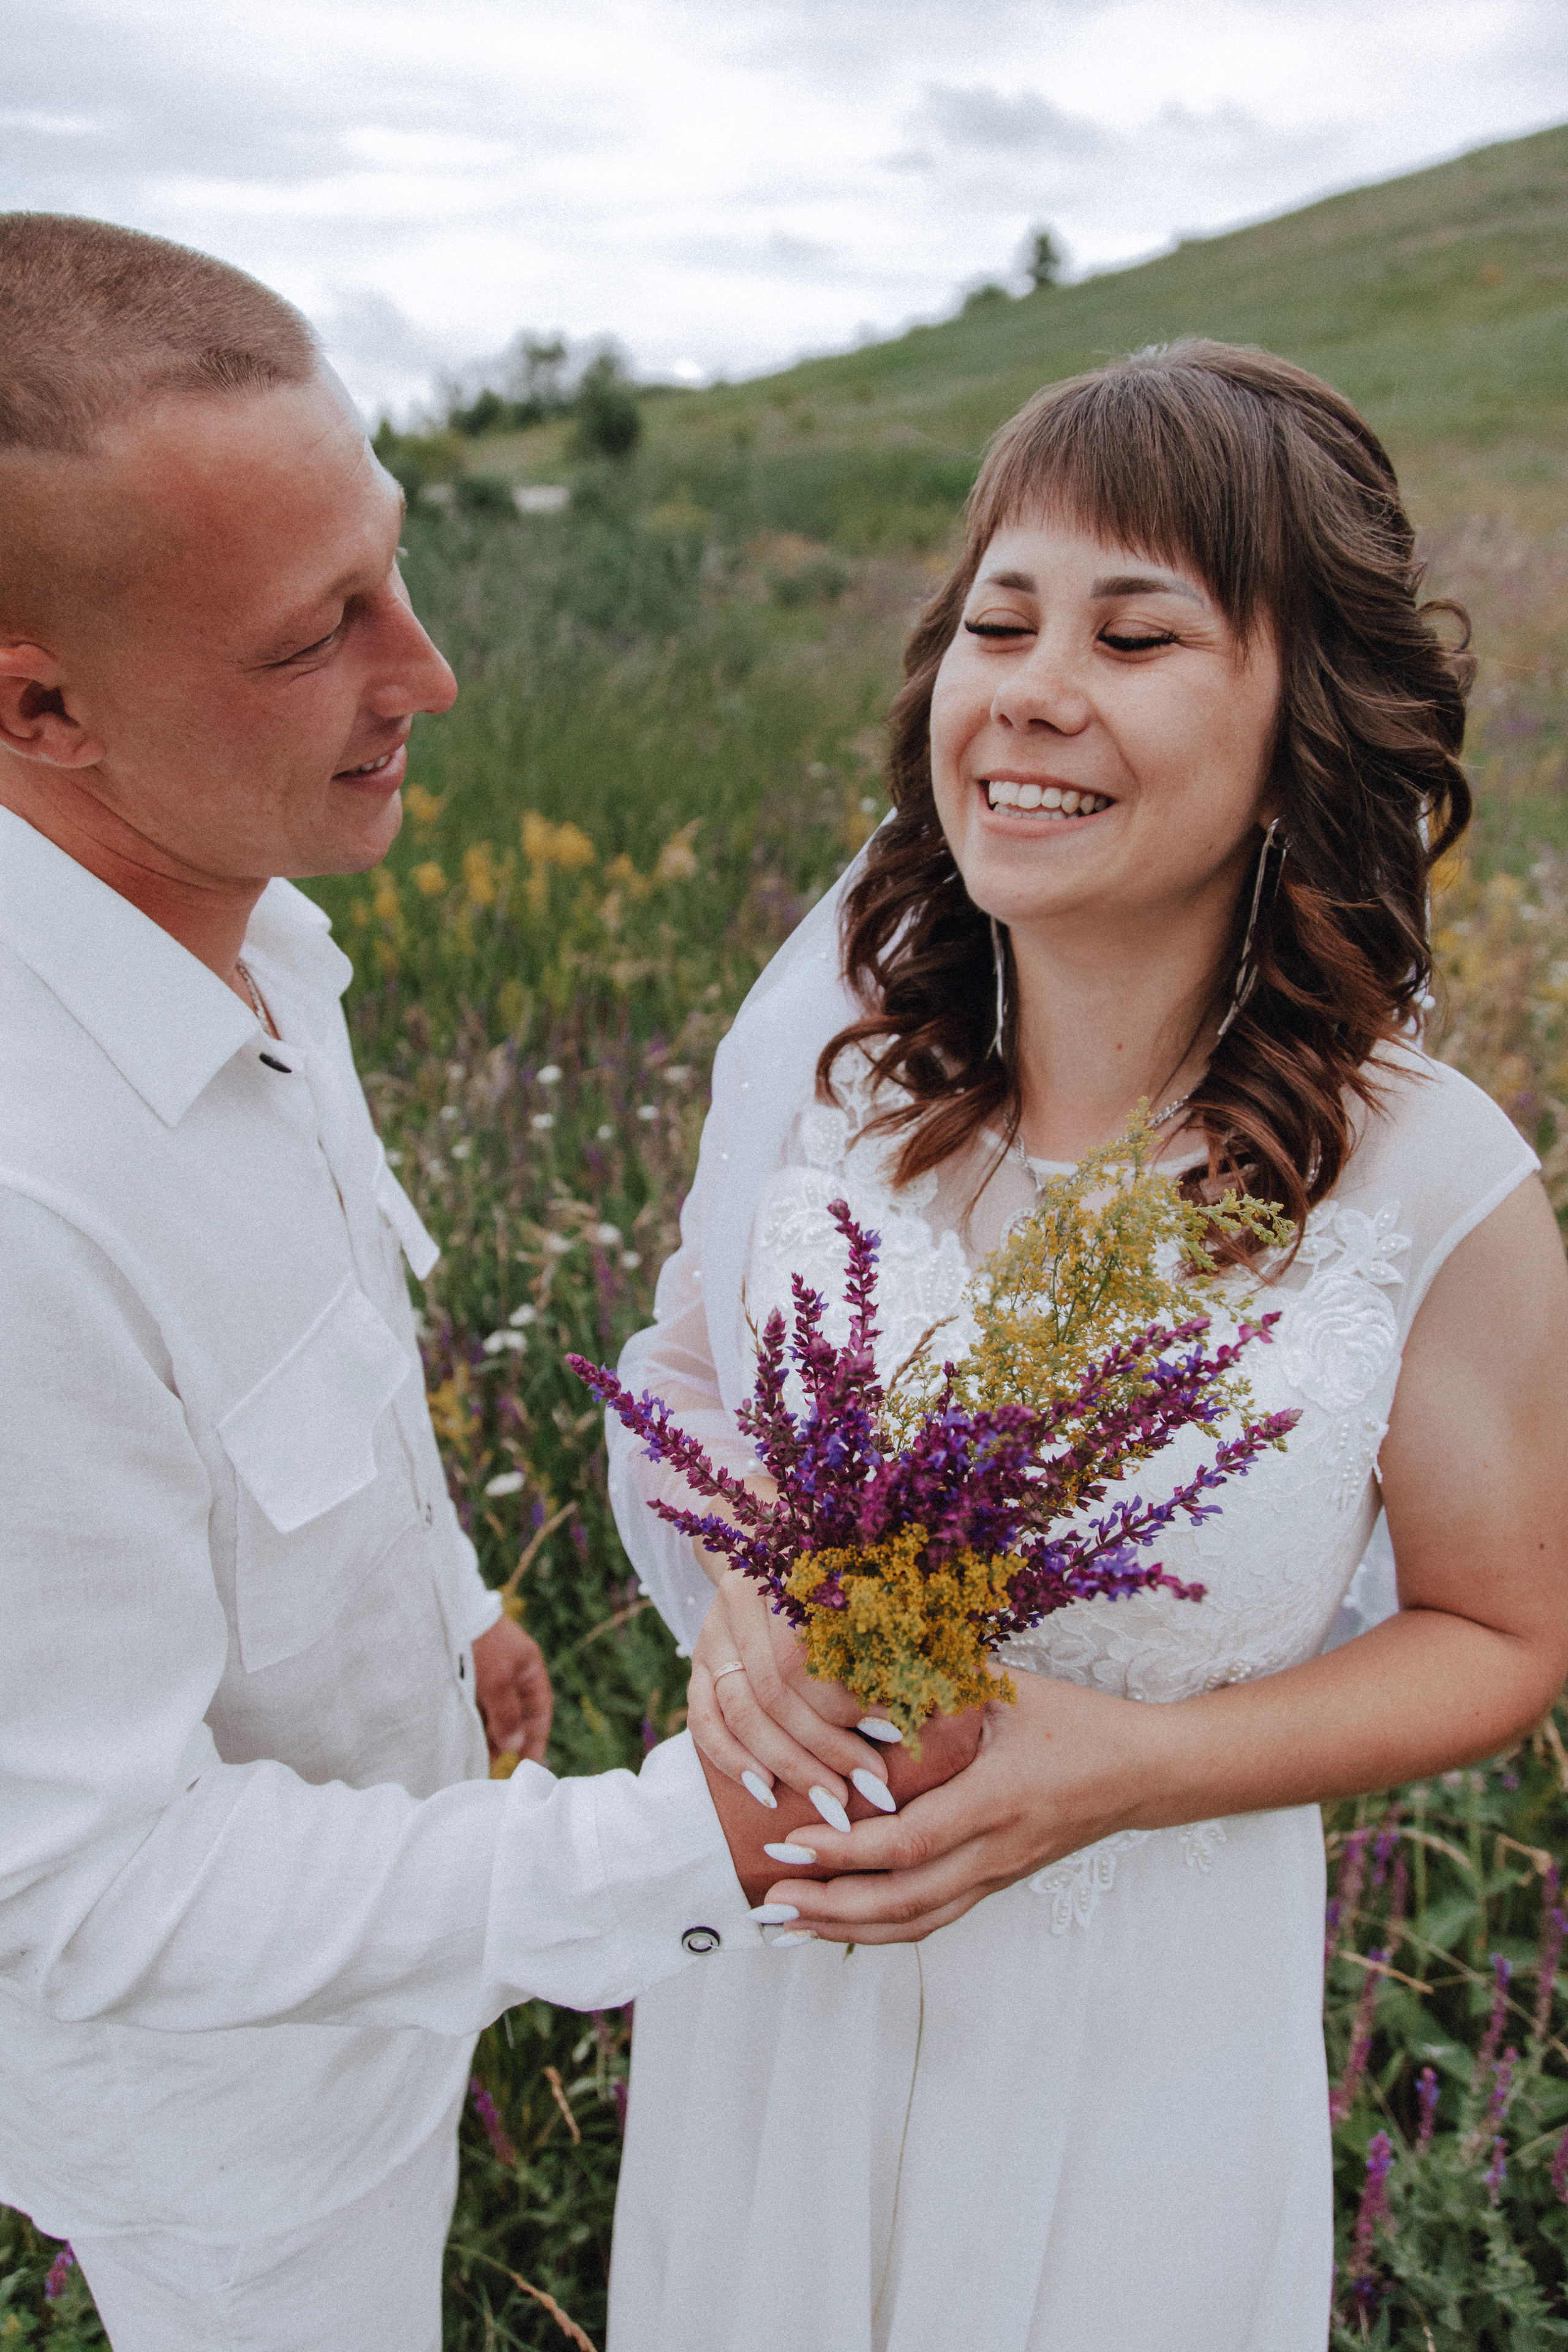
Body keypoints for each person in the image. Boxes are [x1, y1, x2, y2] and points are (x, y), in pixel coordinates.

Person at [604, 341, 1568, 2349]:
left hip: (1139, 2041)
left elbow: (1506, 1637)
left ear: (1310, 712)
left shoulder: (1425, 1180)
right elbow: (687, 1402)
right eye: (995, 620)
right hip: (785, 1993)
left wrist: (1128, 1768)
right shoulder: (836, 1083)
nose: (1030, 688)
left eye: (1135, 635)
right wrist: (742, 1612)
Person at [0, 214, 799, 2352]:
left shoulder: (252, 926)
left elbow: (318, 1346)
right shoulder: (20, 1205)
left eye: (399, 560)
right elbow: (70, 1888)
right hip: (242, 2141)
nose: (429, 672)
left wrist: (447, 1600)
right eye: (314, 633)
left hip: (399, 1956)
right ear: (39, 700)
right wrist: (667, 1842)